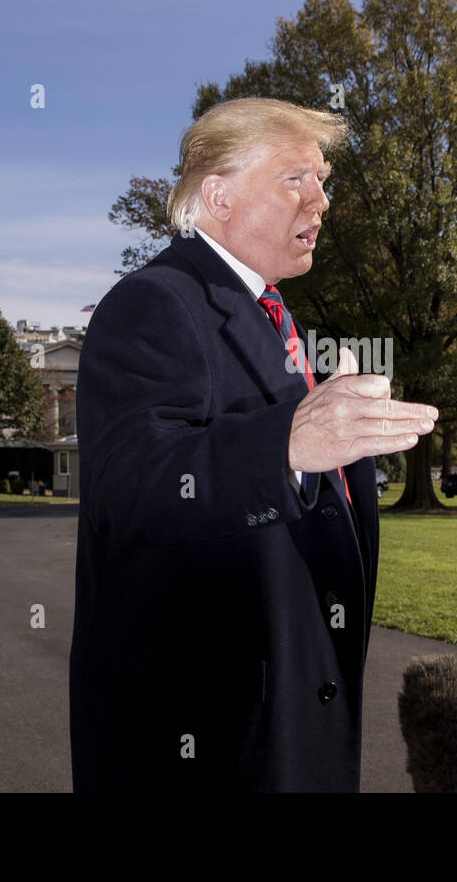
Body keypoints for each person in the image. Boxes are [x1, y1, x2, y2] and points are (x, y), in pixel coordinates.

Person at [69, 97, 438, 791]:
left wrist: (344, 452)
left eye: (324, 180)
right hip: (208, 748)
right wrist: (288, 443)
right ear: (220, 196)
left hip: (291, 725)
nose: (323, 201)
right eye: (297, 178)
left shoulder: (271, 315)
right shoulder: (153, 302)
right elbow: (129, 487)